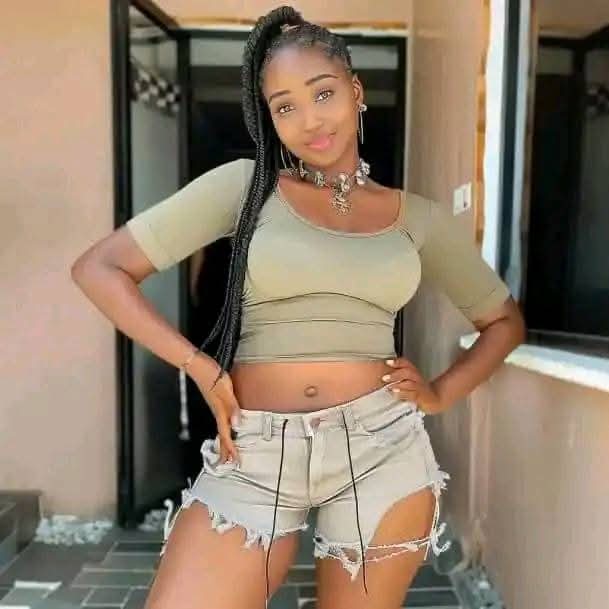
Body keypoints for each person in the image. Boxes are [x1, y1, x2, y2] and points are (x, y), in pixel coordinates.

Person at [71, 5, 526, 609]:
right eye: (285, 107)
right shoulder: (245, 186)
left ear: (355, 92)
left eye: (323, 93)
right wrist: (201, 367)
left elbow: (504, 322)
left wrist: (439, 394)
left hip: (382, 447)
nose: (309, 120)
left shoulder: (419, 219)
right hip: (255, 451)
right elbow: (99, 269)